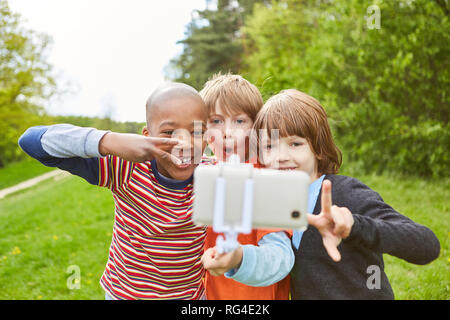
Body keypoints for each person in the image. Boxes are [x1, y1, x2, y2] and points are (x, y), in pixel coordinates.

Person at [18, 82, 215, 300]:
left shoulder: (215, 176)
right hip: (124, 295)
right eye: (169, 132)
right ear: (146, 135)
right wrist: (109, 141)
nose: (185, 143)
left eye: (197, 131)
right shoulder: (124, 168)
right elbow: (31, 141)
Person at [252, 88, 441, 299]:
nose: (280, 156)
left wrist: (355, 226)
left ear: (318, 148)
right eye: (269, 146)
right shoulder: (274, 206)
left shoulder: (347, 194)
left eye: (295, 144)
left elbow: (427, 245)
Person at [199, 73, 294, 300]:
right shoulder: (201, 175)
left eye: (239, 121)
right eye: (216, 121)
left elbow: (280, 258)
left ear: (256, 127)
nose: (227, 132)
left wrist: (239, 258)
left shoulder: (268, 179)